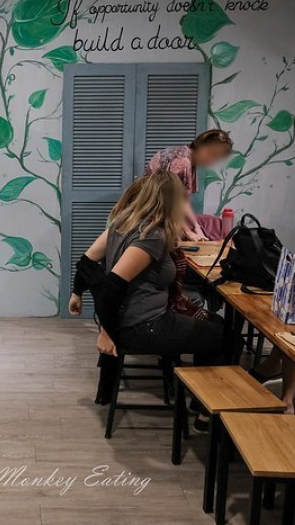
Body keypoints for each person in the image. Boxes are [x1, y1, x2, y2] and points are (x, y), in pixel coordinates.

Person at [69, 171, 226, 431]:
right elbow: (111, 288)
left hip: (134, 320)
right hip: (144, 326)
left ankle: (202, 402)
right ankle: (206, 413)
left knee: (217, 326)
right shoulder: (152, 236)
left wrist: (77, 293)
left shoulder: (121, 225)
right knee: (225, 337)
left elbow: (86, 262)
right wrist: (106, 332)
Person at [145, 130, 233, 241]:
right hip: (151, 211)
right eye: (212, 153)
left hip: (163, 210)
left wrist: (197, 227)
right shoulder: (182, 162)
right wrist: (188, 232)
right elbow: (169, 203)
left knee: (209, 223)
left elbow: (182, 199)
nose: (212, 160)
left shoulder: (189, 159)